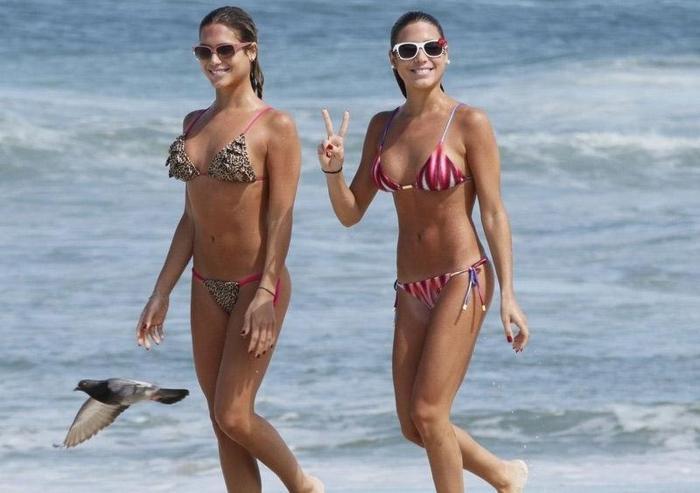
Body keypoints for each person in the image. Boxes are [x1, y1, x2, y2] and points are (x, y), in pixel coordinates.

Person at [318, 10, 529, 493]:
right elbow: (351, 213)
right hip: (411, 287)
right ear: (393, 60)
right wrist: (332, 171)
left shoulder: (469, 122)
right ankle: (503, 475)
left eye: (432, 48)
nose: (422, 58)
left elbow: (494, 214)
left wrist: (510, 295)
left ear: (446, 54)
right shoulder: (382, 127)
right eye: (408, 50)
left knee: (430, 413)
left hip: (463, 276)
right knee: (414, 426)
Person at [135, 6, 323, 493]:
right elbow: (191, 219)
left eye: (224, 49)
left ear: (250, 51)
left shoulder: (275, 125)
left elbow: (282, 217)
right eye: (204, 51)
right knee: (221, 423)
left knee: (235, 413)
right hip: (205, 285)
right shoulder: (194, 121)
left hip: (255, 285)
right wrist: (161, 291)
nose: (214, 60)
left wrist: (266, 292)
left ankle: (303, 485)